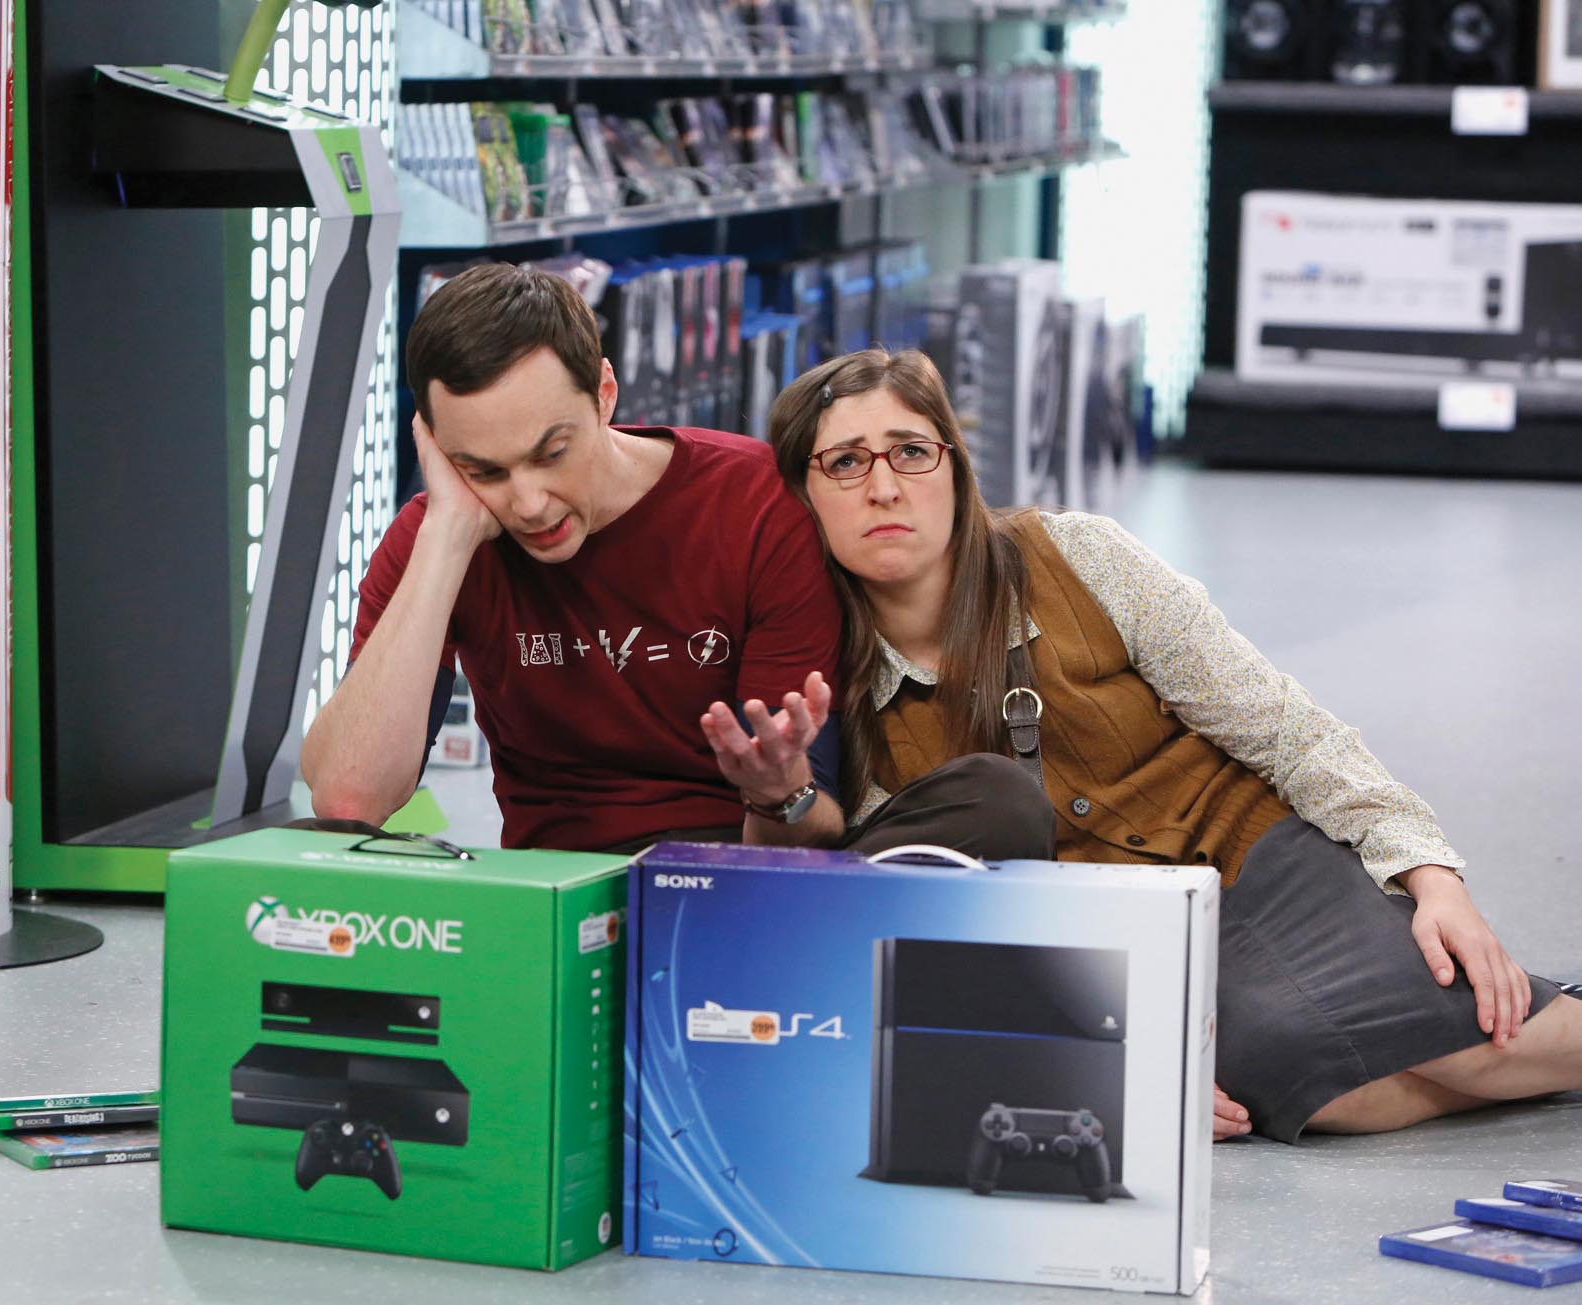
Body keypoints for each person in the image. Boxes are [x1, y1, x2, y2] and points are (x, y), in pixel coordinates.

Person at [765, 346, 1581, 1143]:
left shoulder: (1076, 554)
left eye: (910, 451)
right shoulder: (823, 686)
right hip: (1110, 947)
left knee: (1476, 1034)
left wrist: (1430, 877)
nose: (883, 487)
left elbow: (1285, 728)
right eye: (845, 462)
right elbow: (906, 914)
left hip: (1252, 859)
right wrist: (1097, 1058)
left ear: (953, 464)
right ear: (803, 493)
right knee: (1309, 1084)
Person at [301, 264, 846, 852]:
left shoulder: (757, 504)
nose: (529, 504)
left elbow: (809, 830)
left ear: (605, 394)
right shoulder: (437, 535)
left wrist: (778, 794)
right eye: (484, 470)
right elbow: (349, 800)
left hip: (728, 866)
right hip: (550, 883)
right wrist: (445, 539)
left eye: (552, 453)